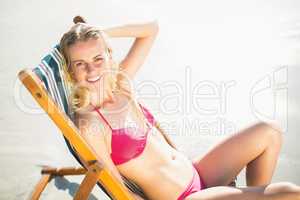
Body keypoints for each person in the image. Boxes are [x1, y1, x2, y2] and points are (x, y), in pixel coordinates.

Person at [59, 16, 300, 200]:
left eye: (98, 59)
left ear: (108, 56)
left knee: (269, 130)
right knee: (288, 193)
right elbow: (115, 187)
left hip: (198, 173)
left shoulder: (120, 84)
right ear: (70, 70)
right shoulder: (90, 122)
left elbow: (151, 29)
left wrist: (103, 33)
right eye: (80, 64)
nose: (91, 71)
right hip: (184, 198)